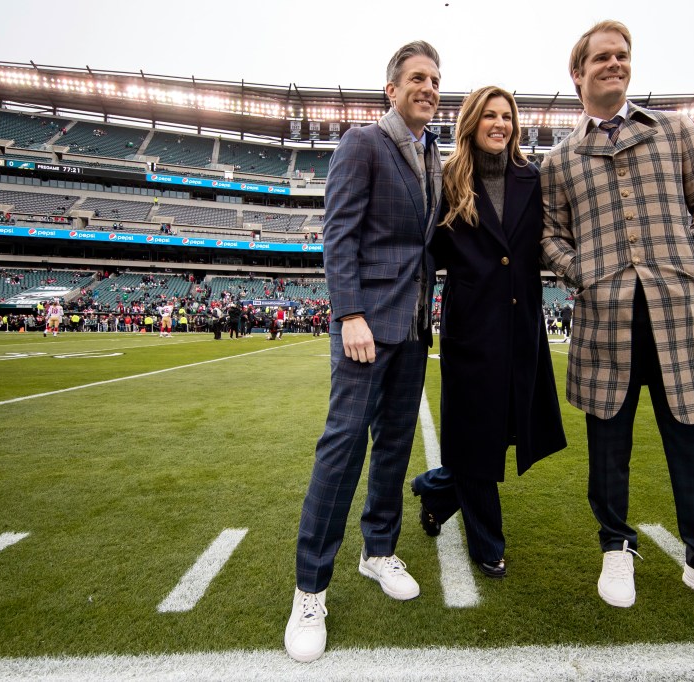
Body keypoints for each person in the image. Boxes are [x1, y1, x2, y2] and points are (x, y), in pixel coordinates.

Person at [541, 20, 694, 628]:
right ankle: (615, 545)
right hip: (604, 321)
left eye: (622, 56)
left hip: (676, 316)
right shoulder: (562, 158)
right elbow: (548, 235)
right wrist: (583, 274)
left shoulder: (675, 130)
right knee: (609, 449)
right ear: (578, 72)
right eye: (601, 57)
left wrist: (691, 255)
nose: (615, 64)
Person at [285, 40, 443, 663]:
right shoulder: (363, 143)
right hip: (364, 327)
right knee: (344, 446)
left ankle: (378, 550)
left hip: (410, 331)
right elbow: (339, 232)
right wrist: (349, 312)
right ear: (391, 89)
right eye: (417, 79)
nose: (428, 88)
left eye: (435, 79)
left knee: (395, 446)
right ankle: (309, 588)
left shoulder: (434, 154)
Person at [410, 86, 566, 579]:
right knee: (477, 437)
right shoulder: (447, 176)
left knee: (502, 434)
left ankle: (436, 492)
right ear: (473, 121)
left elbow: (541, 242)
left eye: (507, 116)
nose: (500, 124)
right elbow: (427, 248)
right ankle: (487, 542)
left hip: (521, 326)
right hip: (471, 327)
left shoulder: (532, 177)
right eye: (490, 116)